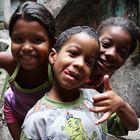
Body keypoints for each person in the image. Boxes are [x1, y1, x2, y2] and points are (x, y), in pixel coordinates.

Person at [20, 26, 108, 140]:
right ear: (53, 56)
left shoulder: (95, 99)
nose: (80, 64)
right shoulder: (37, 120)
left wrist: (121, 106)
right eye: (73, 53)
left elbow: (129, 126)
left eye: (89, 62)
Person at [2, 1, 56, 140]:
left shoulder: (56, 68)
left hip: (46, 119)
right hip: (15, 114)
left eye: (37, 40)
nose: (26, 47)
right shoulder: (10, 63)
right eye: (18, 39)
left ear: (52, 43)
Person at [85, 17, 139, 136]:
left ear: (124, 61)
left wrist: (121, 105)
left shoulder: (99, 91)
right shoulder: (65, 73)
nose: (111, 54)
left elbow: (133, 125)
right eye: (105, 44)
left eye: (121, 53)